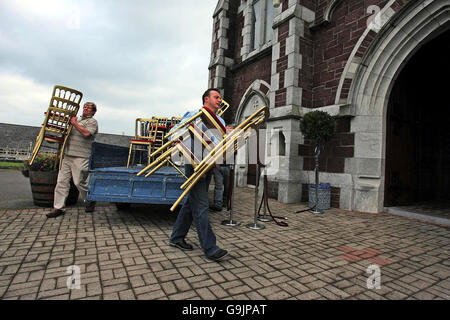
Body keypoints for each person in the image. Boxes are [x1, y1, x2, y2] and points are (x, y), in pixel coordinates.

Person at [168, 88, 228, 262]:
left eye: (220, 98)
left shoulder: (221, 120)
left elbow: (221, 144)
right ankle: (210, 247)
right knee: (201, 205)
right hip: (193, 164)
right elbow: (175, 134)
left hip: (208, 165)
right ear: (206, 99)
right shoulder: (194, 114)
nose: (219, 100)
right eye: (216, 97)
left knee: (190, 202)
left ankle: (177, 237)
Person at [46, 102, 98, 218]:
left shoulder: (92, 122)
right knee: (61, 182)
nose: (86, 109)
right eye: (85, 107)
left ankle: (90, 199)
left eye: (89, 108)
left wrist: (74, 123)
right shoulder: (76, 120)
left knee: (79, 181)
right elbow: (65, 135)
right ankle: (58, 207)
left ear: (93, 112)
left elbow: (86, 133)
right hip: (68, 154)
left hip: (81, 155)